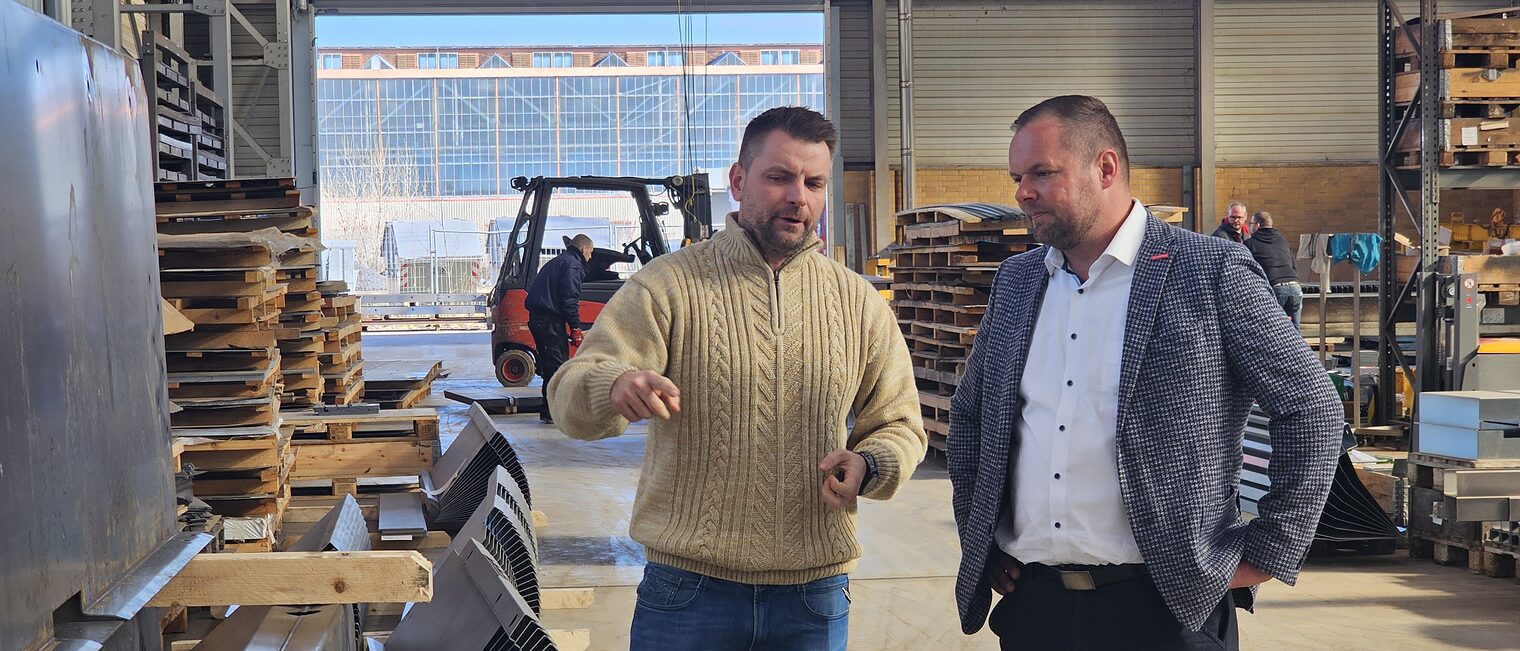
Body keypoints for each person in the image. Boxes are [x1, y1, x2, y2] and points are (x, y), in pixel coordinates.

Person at [947, 95, 1342, 650]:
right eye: (1018, 177)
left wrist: (1271, 547)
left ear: (1105, 168)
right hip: (1036, 609)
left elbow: (1310, 406)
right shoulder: (1018, 282)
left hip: (1166, 611)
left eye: (1042, 173)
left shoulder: (1208, 271)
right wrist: (981, 538)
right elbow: (971, 416)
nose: (1022, 193)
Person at [546, 106, 927, 651]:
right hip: (687, 591)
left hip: (813, 596)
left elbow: (899, 422)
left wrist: (870, 463)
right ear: (738, 180)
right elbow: (568, 392)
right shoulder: (667, 286)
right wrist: (612, 385)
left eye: (814, 183)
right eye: (779, 177)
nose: (798, 197)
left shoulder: (858, 303)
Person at [525, 233, 592, 423]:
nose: (590, 257)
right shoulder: (572, 265)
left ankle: (549, 411)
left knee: (551, 365)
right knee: (557, 366)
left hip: (542, 320)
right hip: (549, 321)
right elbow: (569, 299)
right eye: (591, 252)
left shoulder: (561, 261)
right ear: (584, 249)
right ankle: (554, 412)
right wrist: (576, 327)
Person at [1244, 211, 1303, 326]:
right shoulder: (1283, 240)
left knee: (1273, 328)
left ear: (1257, 225)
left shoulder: (1249, 244)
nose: (1249, 227)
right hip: (1295, 287)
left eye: (1250, 223)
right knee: (1295, 329)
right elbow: (1294, 265)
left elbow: (1248, 272)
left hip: (1274, 287)